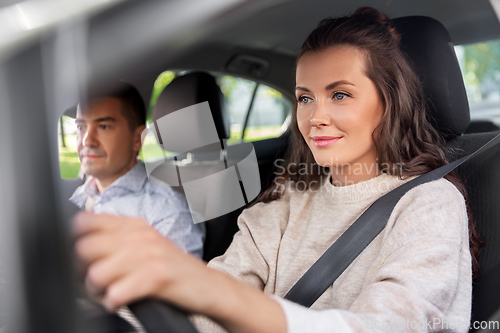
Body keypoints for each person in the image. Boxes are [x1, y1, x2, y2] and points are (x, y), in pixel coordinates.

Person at [73, 8, 482, 333]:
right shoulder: (287, 201)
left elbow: (389, 326)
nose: (315, 117)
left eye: (339, 94)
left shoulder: (429, 204)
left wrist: (204, 288)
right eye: (305, 98)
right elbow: (212, 303)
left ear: (389, 103)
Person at [70, 83, 205, 259]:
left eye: (103, 126)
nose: (87, 141)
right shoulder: (79, 196)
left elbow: (182, 285)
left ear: (137, 138)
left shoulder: (167, 213)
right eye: (81, 127)